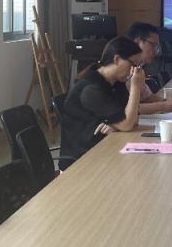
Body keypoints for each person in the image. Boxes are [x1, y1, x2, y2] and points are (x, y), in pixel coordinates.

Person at [59, 37, 145, 168]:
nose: (135, 71)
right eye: (133, 65)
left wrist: (115, 126)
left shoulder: (116, 83)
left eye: (138, 67)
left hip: (102, 149)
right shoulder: (91, 89)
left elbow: (133, 120)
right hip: (80, 161)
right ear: (117, 59)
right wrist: (135, 87)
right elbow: (127, 124)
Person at [125, 21, 172, 115]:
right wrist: (163, 106)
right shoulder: (122, 68)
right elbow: (125, 109)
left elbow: (147, 97)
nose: (156, 52)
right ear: (137, 42)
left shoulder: (138, 67)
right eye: (153, 45)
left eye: (157, 46)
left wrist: (168, 102)